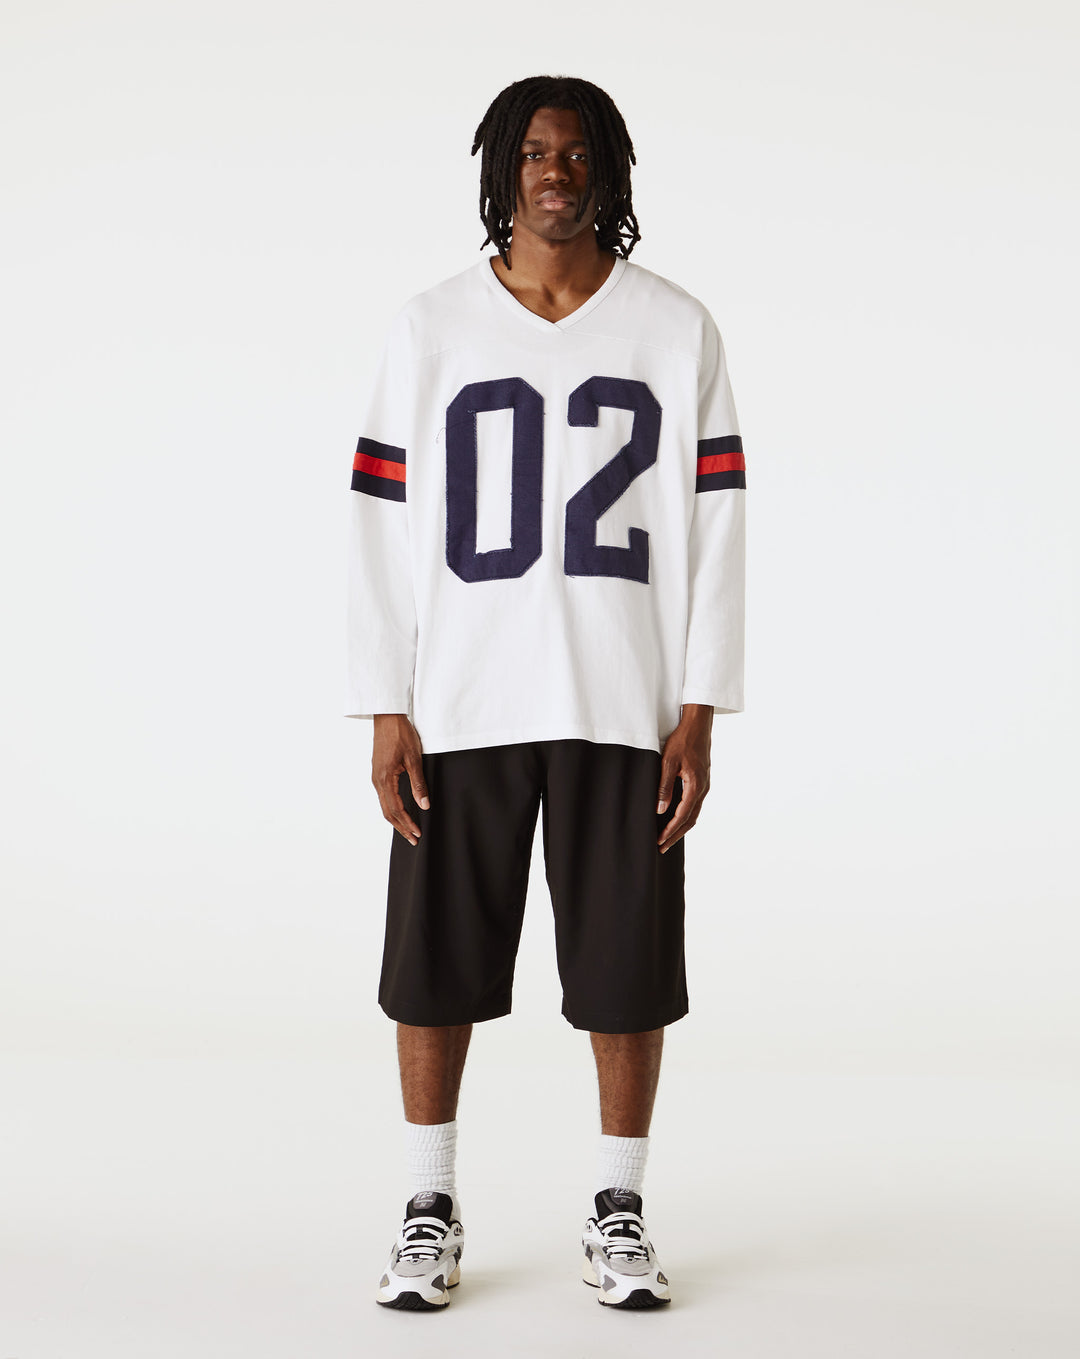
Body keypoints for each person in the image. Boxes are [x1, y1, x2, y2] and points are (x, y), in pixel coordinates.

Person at [345, 74, 746, 1311]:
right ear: (500, 171)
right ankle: (428, 1203)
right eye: (533, 152)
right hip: (461, 699)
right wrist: (386, 701)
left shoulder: (674, 329)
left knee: (628, 970)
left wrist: (700, 705)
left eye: (575, 154)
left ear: (607, 171)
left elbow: (718, 524)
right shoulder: (431, 327)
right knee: (434, 964)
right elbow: (379, 522)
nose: (554, 173)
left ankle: (619, 1206)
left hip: (623, 698)